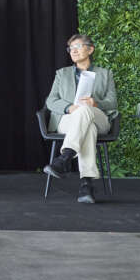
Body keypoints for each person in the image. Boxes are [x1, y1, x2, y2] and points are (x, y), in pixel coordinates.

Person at [43, 34, 118, 203]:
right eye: (70, 48)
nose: (73, 51)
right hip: (69, 120)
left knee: (86, 110)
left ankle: (65, 158)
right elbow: (51, 101)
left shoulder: (105, 74)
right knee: (87, 128)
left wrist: (95, 103)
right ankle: (86, 184)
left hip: (98, 118)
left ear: (90, 49)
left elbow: (112, 102)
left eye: (77, 46)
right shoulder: (62, 74)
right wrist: (69, 107)